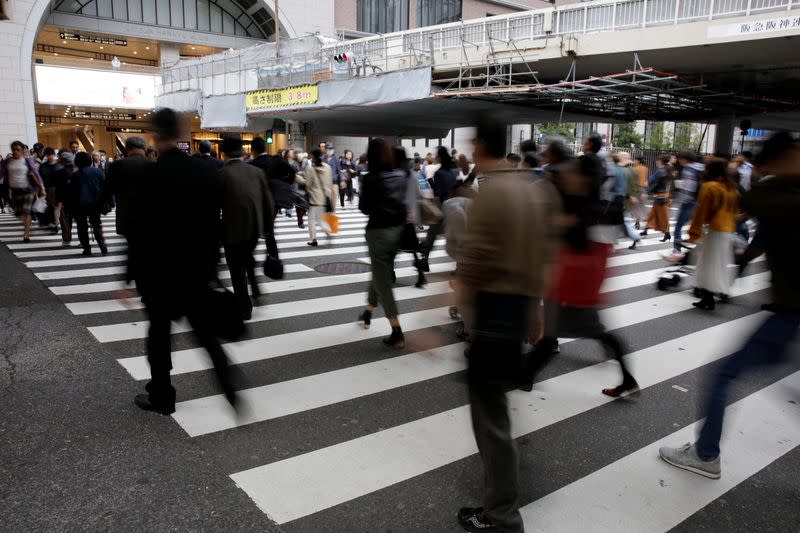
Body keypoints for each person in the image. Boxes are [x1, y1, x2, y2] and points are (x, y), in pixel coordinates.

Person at [659, 132, 800, 479]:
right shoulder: (782, 199)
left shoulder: (780, 197)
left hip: (790, 313)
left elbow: (754, 204)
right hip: (787, 311)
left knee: (721, 376)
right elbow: (757, 241)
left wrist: (758, 171)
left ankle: (706, 455)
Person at [455, 118, 560, 533]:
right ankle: (500, 507)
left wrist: (459, 319)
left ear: (480, 144)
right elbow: (542, 254)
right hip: (517, 311)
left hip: (493, 315)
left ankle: (501, 515)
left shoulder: (492, 193)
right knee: (497, 413)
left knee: (491, 421)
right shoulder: (534, 189)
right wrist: (535, 310)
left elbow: (474, 265)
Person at [128, 108, 239, 415]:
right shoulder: (204, 172)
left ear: (155, 135)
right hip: (196, 268)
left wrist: (128, 276)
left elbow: (140, 231)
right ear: (180, 134)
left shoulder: (149, 175)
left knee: (159, 336)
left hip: (160, 273)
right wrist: (214, 261)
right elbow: (217, 222)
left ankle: (162, 395)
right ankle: (228, 381)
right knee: (204, 332)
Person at [357, 138, 408, 348]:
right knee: (380, 272)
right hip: (398, 233)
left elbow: (364, 208)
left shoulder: (370, 179)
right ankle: (368, 310)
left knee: (383, 281)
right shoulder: (400, 175)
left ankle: (397, 331)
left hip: (378, 233)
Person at [220, 135, 274, 320]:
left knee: (236, 269)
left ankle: (244, 308)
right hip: (254, 230)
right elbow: (269, 204)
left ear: (224, 153)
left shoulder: (222, 174)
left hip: (232, 231)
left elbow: (214, 206)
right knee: (245, 259)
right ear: (243, 153)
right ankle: (256, 290)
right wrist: (267, 230)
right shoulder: (257, 172)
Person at [685, 159, 739, 310]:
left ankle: (708, 298)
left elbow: (701, 212)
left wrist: (694, 232)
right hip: (727, 230)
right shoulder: (732, 188)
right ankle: (710, 296)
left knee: (707, 264)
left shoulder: (710, 187)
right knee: (717, 264)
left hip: (714, 230)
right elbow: (734, 211)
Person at [101, 136, 152, 273]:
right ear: (144, 148)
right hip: (150, 215)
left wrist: (101, 206)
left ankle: (137, 274)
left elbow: (107, 190)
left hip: (127, 214)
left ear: (127, 148)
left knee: (133, 245)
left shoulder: (117, 166)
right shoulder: (153, 166)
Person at [249, 136, 288, 262]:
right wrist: (282, 183)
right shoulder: (275, 160)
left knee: (255, 230)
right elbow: (291, 172)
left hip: (257, 202)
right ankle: (273, 256)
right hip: (273, 201)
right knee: (269, 231)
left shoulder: (251, 165)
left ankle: (249, 257)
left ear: (253, 150)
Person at [420, 146, 459, 266]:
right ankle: (459, 264)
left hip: (443, 207)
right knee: (455, 237)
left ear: (440, 157)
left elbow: (438, 192)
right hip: (455, 206)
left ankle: (425, 260)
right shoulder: (453, 172)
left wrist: (431, 184)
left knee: (431, 235)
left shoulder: (439, 173)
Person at [0, 140, 45, 242]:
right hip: (14, 190)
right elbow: (1, 173)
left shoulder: (27, 160)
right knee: (18, 213)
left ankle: (26, 234)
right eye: (14, 149)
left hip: (27, 190)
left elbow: (35, 173)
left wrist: (42, 187)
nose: (16, 151)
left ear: (22, 150)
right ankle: (27, 224)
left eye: (18, 149)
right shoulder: (8, 161)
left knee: (26, 211)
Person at [665, 151, 704, 261]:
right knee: (697, 228)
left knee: (678, 227)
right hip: (699, 202)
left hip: (689, 202)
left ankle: (677, 252)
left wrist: (680, 201)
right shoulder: (701, 168)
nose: (678, 160)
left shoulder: (689, 170)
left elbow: (688, 189)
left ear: (685, 159)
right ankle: (701, 251)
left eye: (680, 158)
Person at [69, 151, 108, 256]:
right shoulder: (97, 171)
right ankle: (102, 246)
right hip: (95, 203)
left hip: (79, 204)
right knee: (96, 224)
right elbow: (105, 186)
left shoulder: (75, 175)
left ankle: (87, 249)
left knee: (82, 227)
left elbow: (71, 192)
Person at [295, 148, 334, 247]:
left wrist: (297, 177)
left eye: (311, 156)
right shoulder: (327, 167)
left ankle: (313, 239)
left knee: (312, 219)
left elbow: (307, 184)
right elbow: (330, 182)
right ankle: (328, 232)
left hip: (315, 197)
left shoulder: (311, 169)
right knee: (320, 218)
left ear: (313, 157)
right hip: (326, 196)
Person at [640, 154, 673, 242]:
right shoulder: (667, 170)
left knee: (662, 217)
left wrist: (647, 191)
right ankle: (646, 230)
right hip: (664, 196)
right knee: (653, 215)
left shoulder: (660, 171)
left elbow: (652, 181)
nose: (656, 161)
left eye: (657, 160)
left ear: (661, 161)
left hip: (660, 197)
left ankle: (667, 234)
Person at [54, 150, 76, 246]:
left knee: (65, 220)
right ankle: (83, 240)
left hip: (65, 199)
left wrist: (58, 200)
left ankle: (67, 239)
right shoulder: (77, 171)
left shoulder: (59, 172)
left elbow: (59, 188)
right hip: (76, 198)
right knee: (80, 220)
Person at [38, 147, 62, 233]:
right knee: (50, 207)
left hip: (57, 189)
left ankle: (55, 223)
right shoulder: (43, 166)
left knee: (56, 207)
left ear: (54, 155)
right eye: (47, 155)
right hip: (47, 189)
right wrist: (41, 189)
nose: (49, 157)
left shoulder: (59, 165)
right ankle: (53, 224)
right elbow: (40, 178)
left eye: (51, 154)